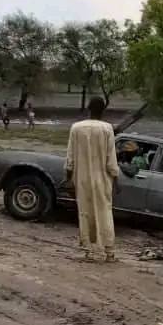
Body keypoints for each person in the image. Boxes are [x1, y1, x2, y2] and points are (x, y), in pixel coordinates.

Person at [65, 96, 120, 262]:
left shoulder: (76, 128)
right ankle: (109, 252)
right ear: (103, 110)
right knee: (105, 213)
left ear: (88, 108)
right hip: (102, 180)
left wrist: (68, 179)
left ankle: (88, 251)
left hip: (81, 179)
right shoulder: (107, 129)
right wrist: (116, 180)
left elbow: (70, 158)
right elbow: (111, 160)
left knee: (85, 213)